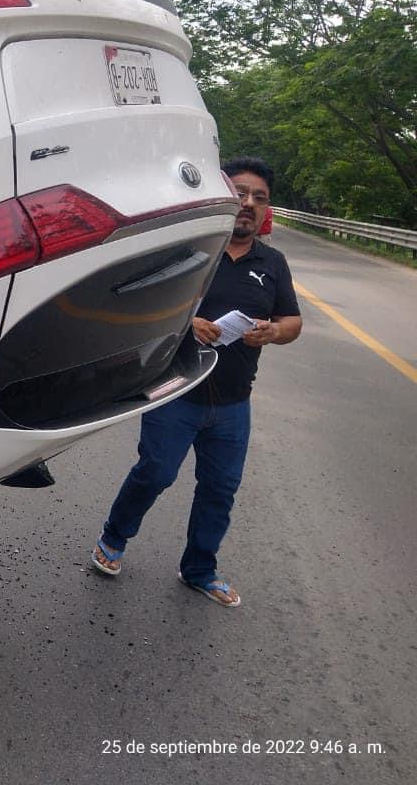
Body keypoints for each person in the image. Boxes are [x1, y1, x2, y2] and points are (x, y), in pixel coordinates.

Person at [89, 157, 302, 607]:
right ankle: (113, 537)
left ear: (266, 211)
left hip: (233, 403)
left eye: (258, 199)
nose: (248, 204)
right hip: (175, 389)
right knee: (156, 472)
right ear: (223, 194)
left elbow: (292, 321)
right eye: (240, 193)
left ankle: (199, 569)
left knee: (220, 490)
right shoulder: (190, 246)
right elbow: (141, 307)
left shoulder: (273, 263)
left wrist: (275, 331)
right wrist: (189, 322)